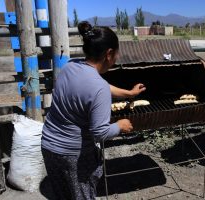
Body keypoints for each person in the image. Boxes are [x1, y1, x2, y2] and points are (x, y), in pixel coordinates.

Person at [41, 21, 146, 200]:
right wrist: (120, 125)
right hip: (73, 155)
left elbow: (95, 87)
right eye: (117, 53)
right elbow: (100, 133)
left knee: (63, 195)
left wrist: (129, 94)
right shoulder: (99, 88)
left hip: (49, 146)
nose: (117, 57)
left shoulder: (70, 67)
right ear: (109, 54)